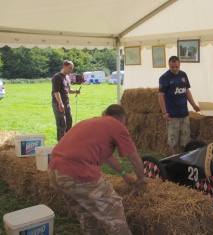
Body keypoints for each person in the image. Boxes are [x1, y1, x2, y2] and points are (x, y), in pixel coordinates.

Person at [48, 104, 148, 235]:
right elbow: (134, 157)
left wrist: (124, 174)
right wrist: (141, 177)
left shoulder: (92, 122)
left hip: (54, 170)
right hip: (77, 172)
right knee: (114, 209)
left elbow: (108, 157)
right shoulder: (118, 126)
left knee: (88, 213)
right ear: (122, 119)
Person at [158, 55, 200, 155]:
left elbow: (187, 91)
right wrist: (164, 112)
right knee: (173, 138)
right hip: (172, 114)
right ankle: (175, 155)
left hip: (184, 113)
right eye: (172, 67)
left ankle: (184, 155)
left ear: (179, 64)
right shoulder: (164, 78)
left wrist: (193, 104)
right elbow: (160, 96)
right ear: (169, 65)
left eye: (176, 66)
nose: (174, 69)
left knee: (185, 137)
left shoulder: (183, 75)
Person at [51, 60, 80, 141]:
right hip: (58, 103)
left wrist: (75, 91)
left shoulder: (67, 77)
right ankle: (60, 141)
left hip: (67, 103)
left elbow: (68, 90)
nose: (71, 70)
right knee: (61, 123)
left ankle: (67, 141)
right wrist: (60, 103)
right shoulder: (57, 77)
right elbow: (56, 91)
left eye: (72, 68)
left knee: (69, 122)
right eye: (70, 68)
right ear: (64, 66)